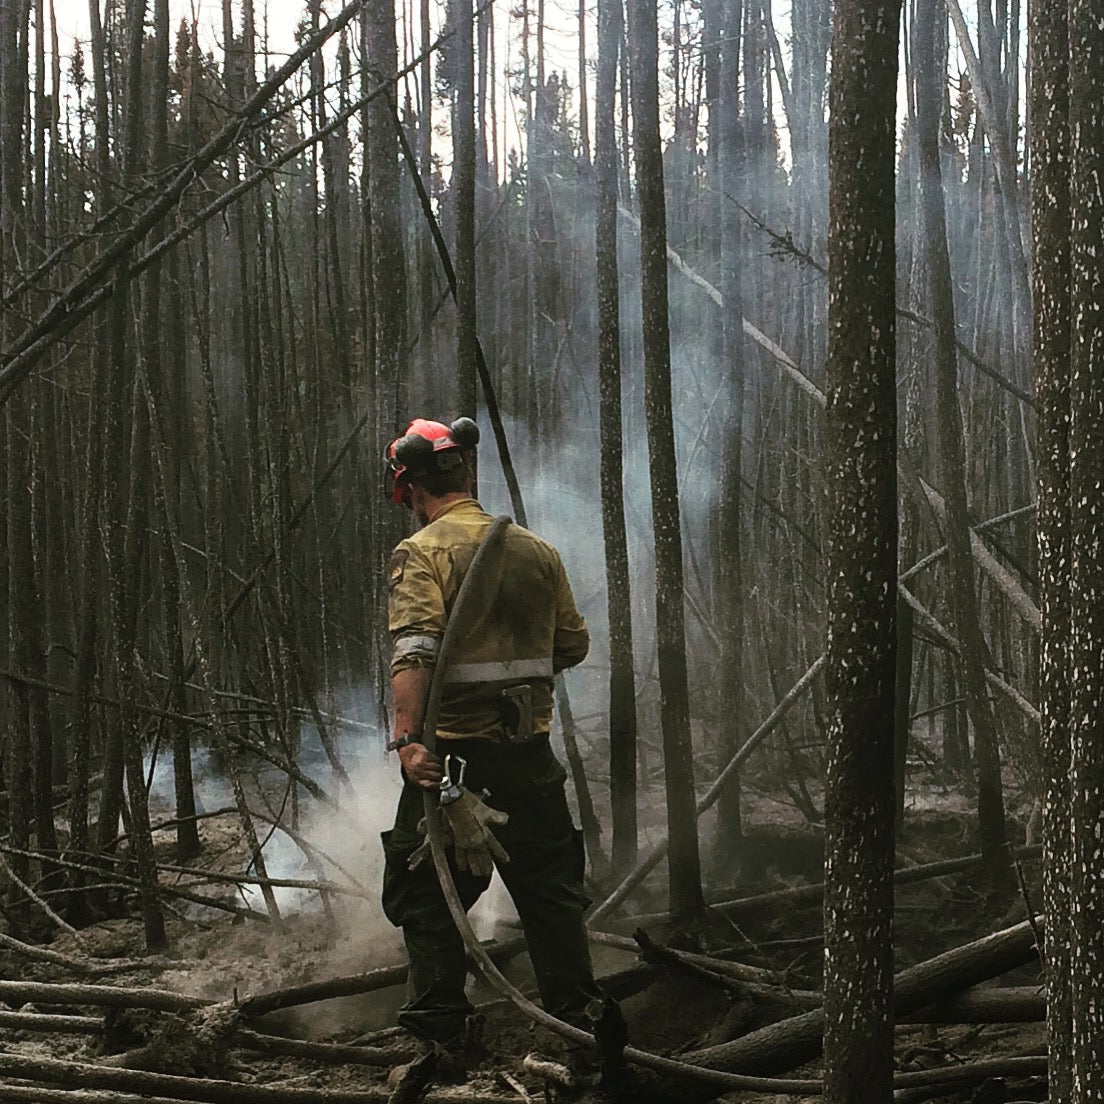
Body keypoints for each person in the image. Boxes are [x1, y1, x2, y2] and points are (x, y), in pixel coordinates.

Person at [379, 415, 610, 1074]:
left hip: (453, 762)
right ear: (465, 472)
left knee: (426, 896)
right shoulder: (535, 550)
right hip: (529, 759)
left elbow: (415, 650)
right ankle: (582, 1032)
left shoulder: (420, 552)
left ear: (408, 487)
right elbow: (573, 645)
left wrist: (408, 740)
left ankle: (442, 1043)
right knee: (552, 898)